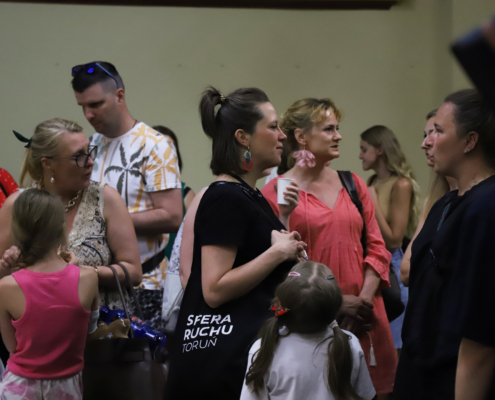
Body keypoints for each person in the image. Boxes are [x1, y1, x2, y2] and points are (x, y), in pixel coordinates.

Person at [165, 87, 305, 400]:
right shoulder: (226, 197)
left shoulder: (249, 195)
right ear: (243, 138)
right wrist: (277, 252)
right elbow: (214, 289)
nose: (282, 135)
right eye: (273, 126)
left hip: (240, 359)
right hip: (223, 368)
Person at [261, 97, 397, 397]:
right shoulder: (275, 192)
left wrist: (362, 303)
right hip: (311, 322)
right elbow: (275, 270)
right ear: (301, 136)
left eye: (337, 128)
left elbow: (378, 249)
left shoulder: (353, 184)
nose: (339, 136)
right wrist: (336, 304)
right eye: (329, 129)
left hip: (366, 317)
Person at [394, 89, 495, 400]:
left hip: (452, 378)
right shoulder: (447, 203)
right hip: (420, 369)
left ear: (469, 141)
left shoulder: (486, 206)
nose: (426, 142)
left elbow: (479, 335)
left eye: (438, 131)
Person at [0, 118, 142, 311]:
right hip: (38, 323)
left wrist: (84, 272)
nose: (90, 162)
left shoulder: (105, 198)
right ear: (48, 164)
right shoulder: (18, 205)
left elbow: (134, 272)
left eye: (89, 151)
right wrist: (8, 266)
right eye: (78, 156)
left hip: (103, 324)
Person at [71, 62, 182, 302]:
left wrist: (112, 222)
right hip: (95, 285)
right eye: (82, 107)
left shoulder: (155, 146)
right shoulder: (89, 146)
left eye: (95, 104)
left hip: (145, 286)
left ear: (119, 96)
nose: (88, 114)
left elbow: (173, 217)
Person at [0, 189, 99, 399]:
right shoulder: (89, 278)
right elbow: (90, 331)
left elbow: (13, 347)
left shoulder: (6, 287)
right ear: (62, 228)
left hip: (19, 389)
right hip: (67, 388)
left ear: (18, 232)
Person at [240, 261, 376, 400]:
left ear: (282, 303)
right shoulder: (350, 343)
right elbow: (365, 396)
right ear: (336, 308)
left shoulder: (263, 349)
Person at [358, 125, 420, 352]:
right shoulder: (372, 181)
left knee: (395, 349)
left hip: (393, 267)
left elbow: (394, 240)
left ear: (380, 150)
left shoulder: (401, 184)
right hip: (373, 265)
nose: (360, 155)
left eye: (364, 149)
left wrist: (372, 202)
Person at [400, 109, 456, 287]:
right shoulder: (434, 200)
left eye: (435, 132)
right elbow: (405, 271)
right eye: (425, 135)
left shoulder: (475, 199)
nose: (425, 143)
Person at [152, 125, 195, 261]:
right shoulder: (136, 195)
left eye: (171, 149)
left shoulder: (186, 194)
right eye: (160, 149)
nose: (166, 155)